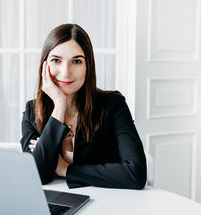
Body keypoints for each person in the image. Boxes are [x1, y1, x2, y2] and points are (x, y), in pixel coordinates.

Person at [20, 24, 147, 189]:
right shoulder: (32, 111)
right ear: (45, 65)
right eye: (56, 60)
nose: (65, 72)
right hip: (60, 202)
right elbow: (37, 176)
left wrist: (66, 169)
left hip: (111, 201)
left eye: (77, 61)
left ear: (88, 66)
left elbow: (135, 173)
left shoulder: (113, 105)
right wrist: (59, 105)